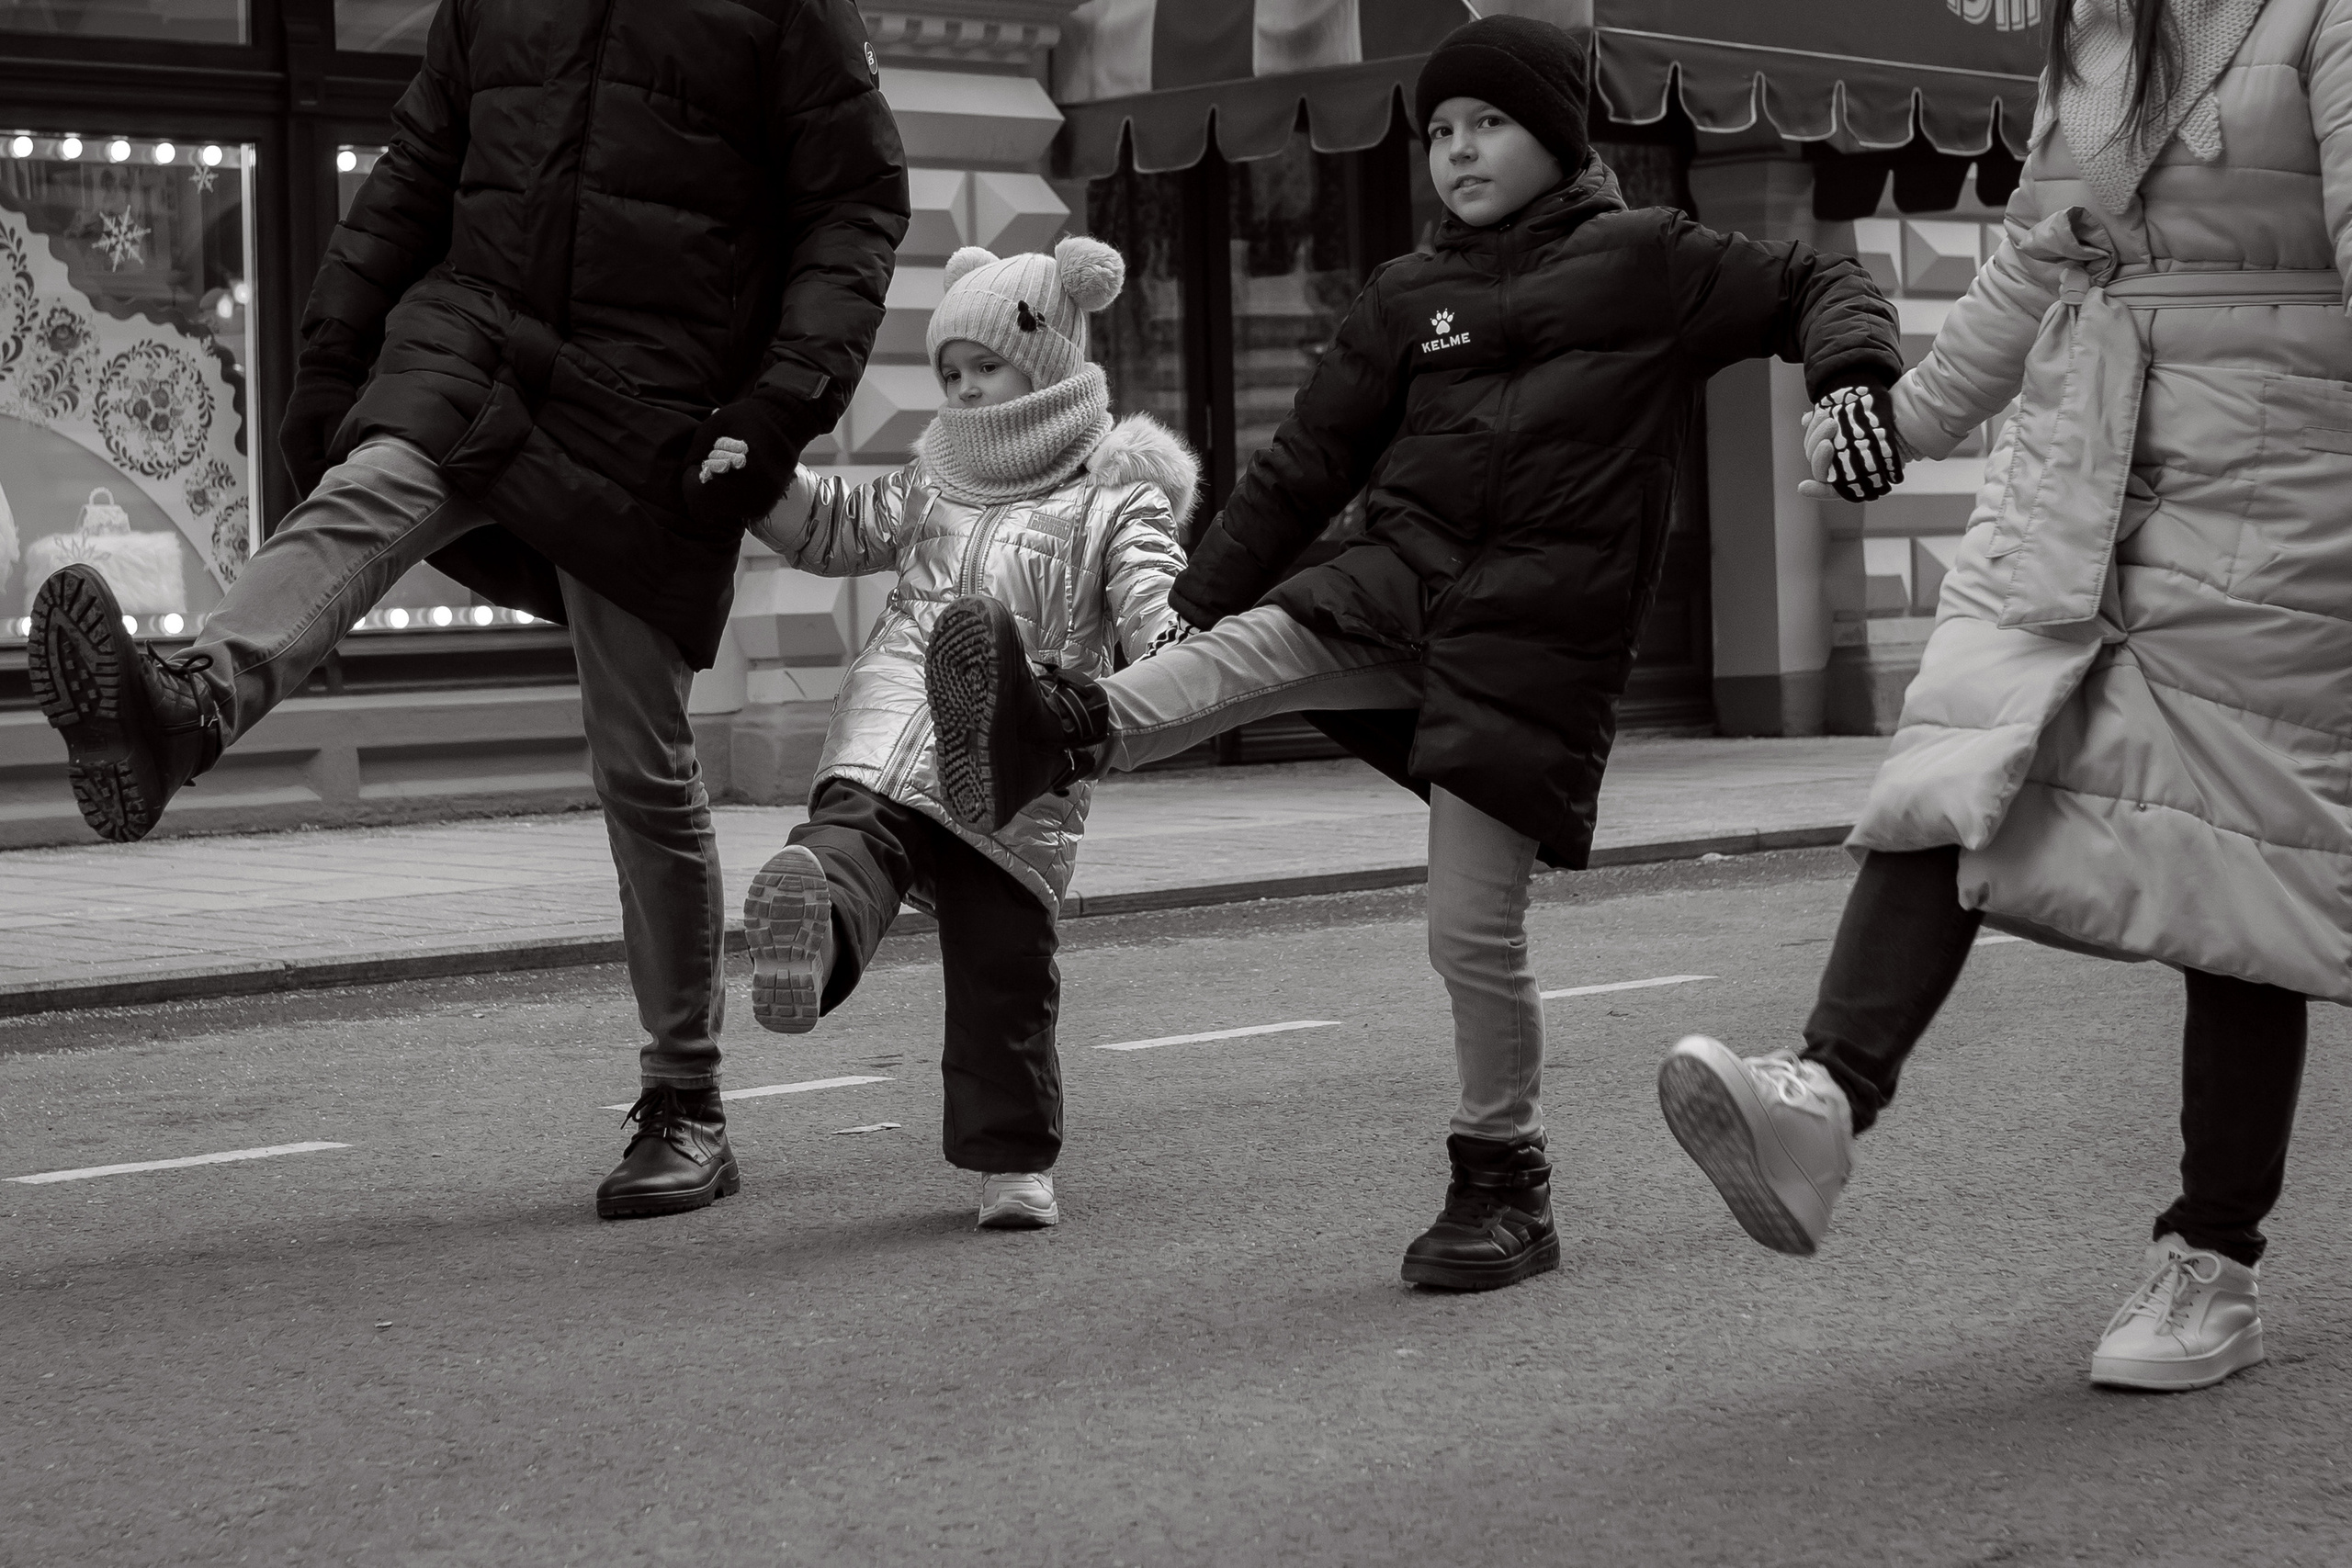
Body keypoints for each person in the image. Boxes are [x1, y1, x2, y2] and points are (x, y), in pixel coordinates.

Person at [921, 14, 1905, 1290]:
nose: (1456, 149)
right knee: (1246, 649)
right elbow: (1304, 464)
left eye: (1486, 123)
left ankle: (1506, 1183)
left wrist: (1851, 376)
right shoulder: (1408, 294)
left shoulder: (1652, 261)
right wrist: (1189, 601)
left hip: (1535, 638)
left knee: (1470, 934)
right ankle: (1053, 725)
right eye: (1438, 130)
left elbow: (1821, 282)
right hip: (1395, 576)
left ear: (1554, 134)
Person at [23, 0, 909, 1220]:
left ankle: (686, 1103)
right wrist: (331, 358)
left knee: (641, 765)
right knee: (360, 494)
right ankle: (181, 708)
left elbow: (852, 207)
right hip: (476, 339)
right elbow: (416, 173)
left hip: (662, 403)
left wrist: (778, 407)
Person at [1657, 0, 2349, 1392]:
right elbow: (2040, 261)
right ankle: (1822, 1099)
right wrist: (1903, 423)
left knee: (2234, 861)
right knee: (1956, 751)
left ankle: (2212, 1260)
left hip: (2273, 479)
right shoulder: (2101, 30)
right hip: (2077, 454)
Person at [719, 237, 1195, 1229]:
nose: (968, 392)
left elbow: (1155, 604)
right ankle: (806, 947)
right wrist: (762, 482)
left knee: (1004, 962)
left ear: (1050, 361)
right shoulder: (932, 471)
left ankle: (1011, 1163)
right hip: (894, 721)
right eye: (951, 374)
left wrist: (1175, 645)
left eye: (988, 367)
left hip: (1015, 757)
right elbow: (839, 529)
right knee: (847, 847)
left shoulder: (1116, 490)